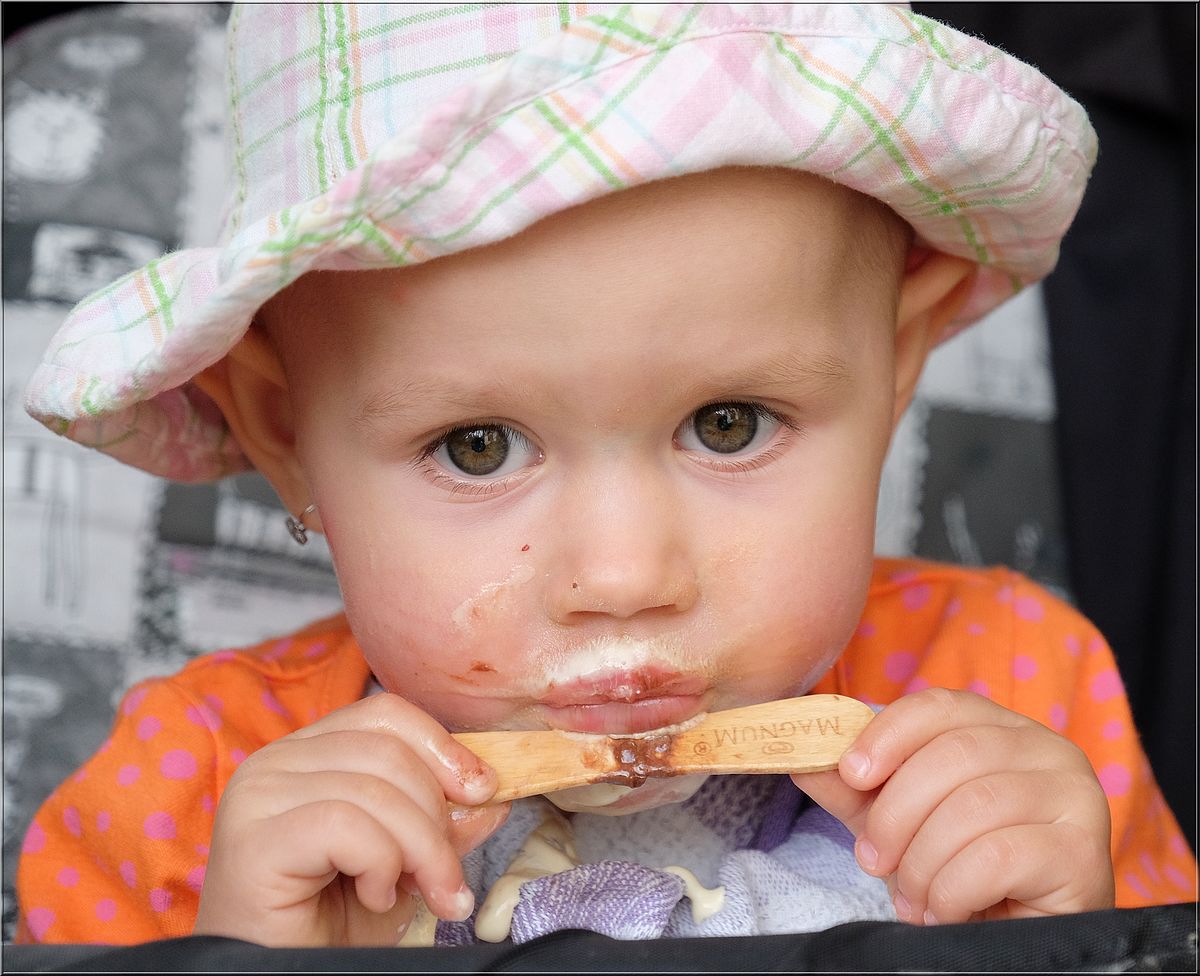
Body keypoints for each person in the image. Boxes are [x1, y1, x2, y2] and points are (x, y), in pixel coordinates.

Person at [16, 2, 1196, 947]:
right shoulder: (191, 794)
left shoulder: (1030, 701)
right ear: (285, 433)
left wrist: (1065, 941)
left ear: (895, 367)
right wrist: (242, 957)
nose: (625, 577)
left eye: (729, 424)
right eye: (479, 446)